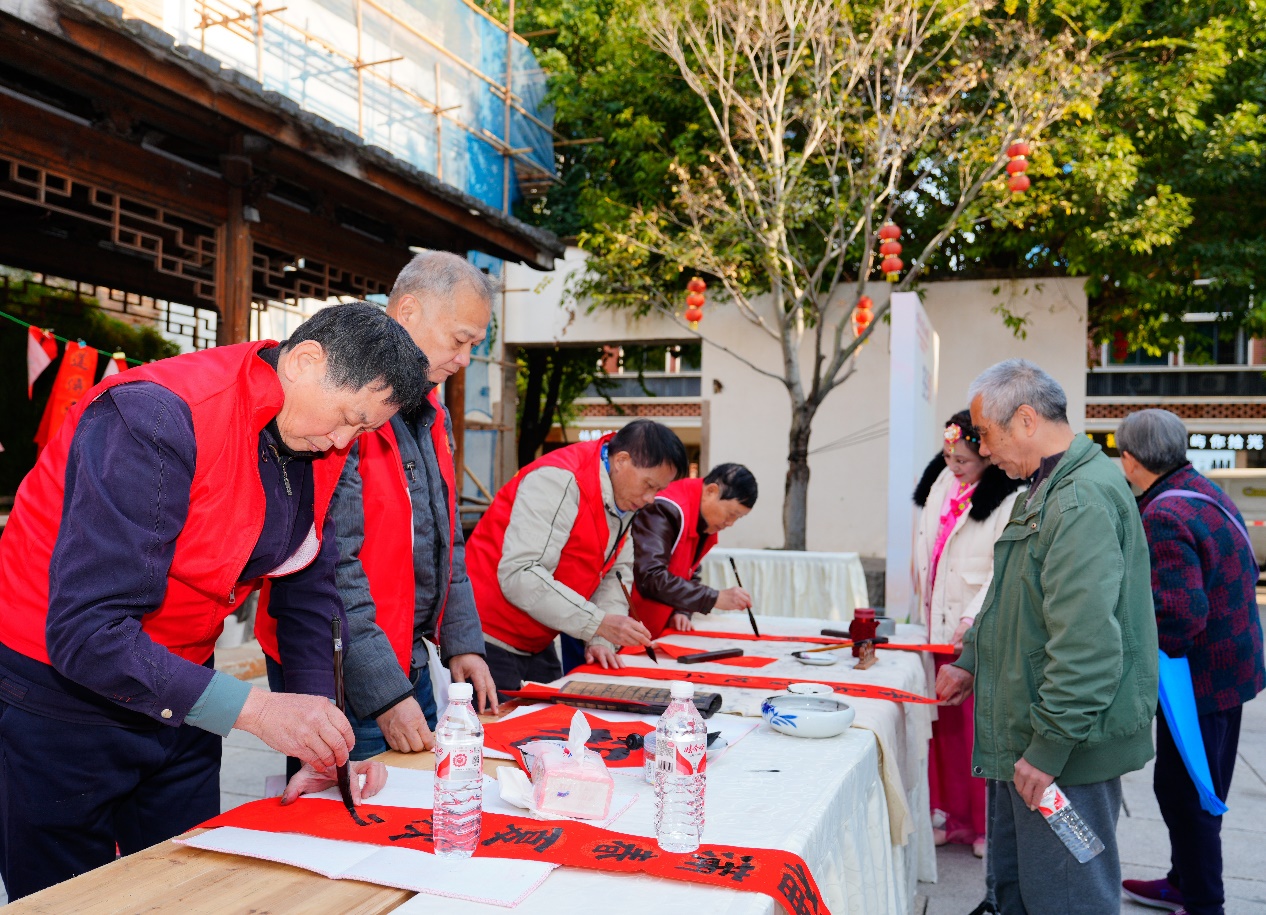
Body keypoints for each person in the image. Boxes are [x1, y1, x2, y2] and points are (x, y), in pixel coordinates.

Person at [0, 302, 425, 899]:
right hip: (58, 686)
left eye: (362, 431)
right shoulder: (153, 417)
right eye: (349, 419)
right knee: (71, 895)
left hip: (180, 685)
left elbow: (307, 590)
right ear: (306, 361)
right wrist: (256, 711)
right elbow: (87, 633)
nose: (343, 442)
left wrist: (314, 737)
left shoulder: (318, 442)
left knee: (190, 882)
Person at [259, 253, 500, 768]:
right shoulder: (346, 406)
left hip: (407, 655)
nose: (464, 359)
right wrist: (384, 693)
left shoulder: (433, 412)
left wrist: (463, 642)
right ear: (407, 311)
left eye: (473, 347)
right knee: (351, 821)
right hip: (342, 662)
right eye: (459, 340)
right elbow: (331, 563)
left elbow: (446, 538)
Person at [936, 359, 1158, 915]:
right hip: (1029, 730)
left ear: (1027, 421)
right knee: (1019, 892)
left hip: (1061, 746)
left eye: (986, 436)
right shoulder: (1045, 485)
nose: (983, 451)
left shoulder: (1078, 500)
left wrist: (1049, 747)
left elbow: (1087, 645)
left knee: (1064, 898)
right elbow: (1011, 594)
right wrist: (971, 659)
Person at [1115, 409, 1264, 915]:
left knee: (1187, 793)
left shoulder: (1162, 514)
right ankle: (1184, 880)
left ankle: (1203, 901)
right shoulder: (1205, 489)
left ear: (1131, 461)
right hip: (1234, 669)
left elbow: (1180, 613)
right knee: (1202, 785)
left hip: (1197, 682)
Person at [467, 419, 689, 696]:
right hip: (488, 636)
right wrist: (598, 623)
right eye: (649, 485)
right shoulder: (559, 479)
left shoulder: (623, 497)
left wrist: (601, 638)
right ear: (621, 460)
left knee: (553, 725)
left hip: (539, 637)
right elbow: (520, 575)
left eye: (657, 490)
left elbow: (615, 574)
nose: (650, 499)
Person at [913, 410, 1022, 858]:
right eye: (948, 456)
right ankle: (953, 818)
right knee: (944, 732)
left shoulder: (1009, 498)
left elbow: (1003, 570)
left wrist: (972, 620)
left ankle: (984, 827)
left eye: (964, 460)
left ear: (988, 458)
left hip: (973, 630)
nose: (954, 466)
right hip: (936, 626)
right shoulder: (942, 482)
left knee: (978, 733)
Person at [630, 462, 758, 637]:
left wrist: (682, 610)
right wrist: (714, 598)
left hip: (651, 629)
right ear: (711, 491)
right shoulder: (666, 508)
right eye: (731, 514)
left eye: (738, 518)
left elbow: (688, 570)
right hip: (627, 623)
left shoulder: (703, 520)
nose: (730, 523)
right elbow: (650, 577)